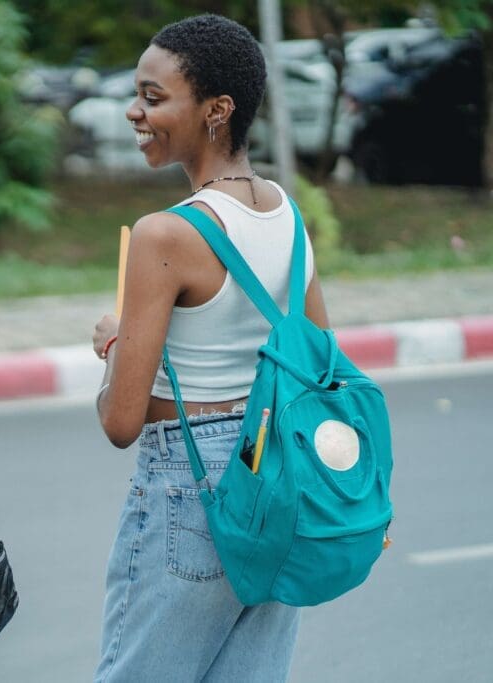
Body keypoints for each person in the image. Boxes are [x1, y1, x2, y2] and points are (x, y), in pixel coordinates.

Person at [90, 15, 330, 682]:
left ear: (217, 111)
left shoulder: (164, 235)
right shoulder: (288, 215)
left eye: (155, 96)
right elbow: (315, 359)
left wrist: (114, 346)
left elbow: (120, 419)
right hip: (280, 475)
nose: (135, 111)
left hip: (191, 486)